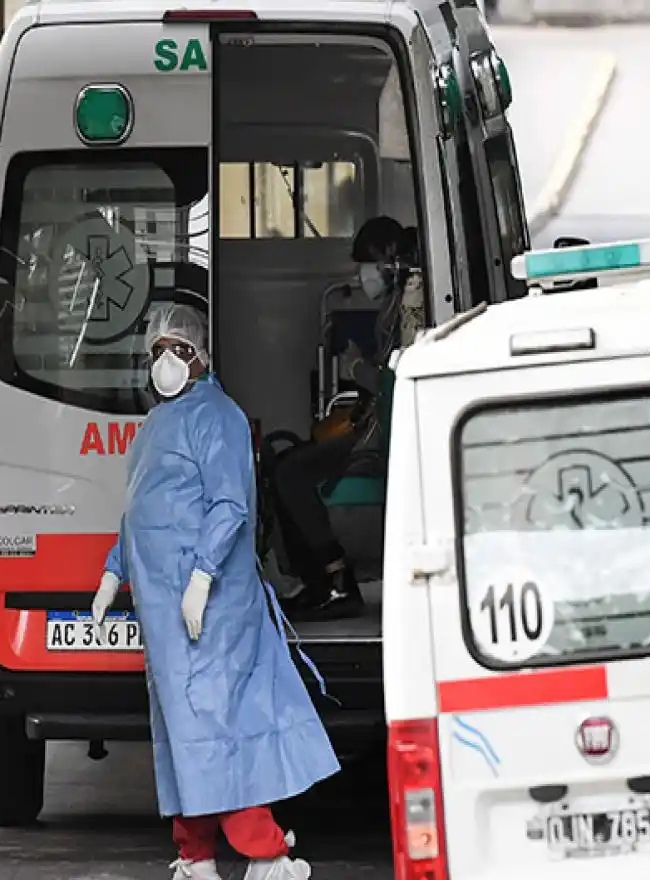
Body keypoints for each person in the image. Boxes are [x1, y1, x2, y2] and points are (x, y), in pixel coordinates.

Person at [91, 303, 339, 880]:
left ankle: (266, 852)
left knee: (216, 733)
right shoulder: (155, 425)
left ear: (199, 355)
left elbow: (230, 505)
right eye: (157, 350)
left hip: (211, 613)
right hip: (165, 610)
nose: (165, 360)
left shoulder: (217, 417)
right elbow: (142, 511)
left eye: (177, 348)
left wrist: (202, 578)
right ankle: (195, 854)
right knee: (184, 733)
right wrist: (112, 571)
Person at [272, 216, 411, 621]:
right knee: (286, 465)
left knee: (292, 473)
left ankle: (336, 582)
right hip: (373, 428)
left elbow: (396, 379)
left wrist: (356, 371)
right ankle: (317, 580)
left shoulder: (409, 311)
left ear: (389, 265)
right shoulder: (391, 313)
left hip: (382, 438)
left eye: (366, 265)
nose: (361, 275)